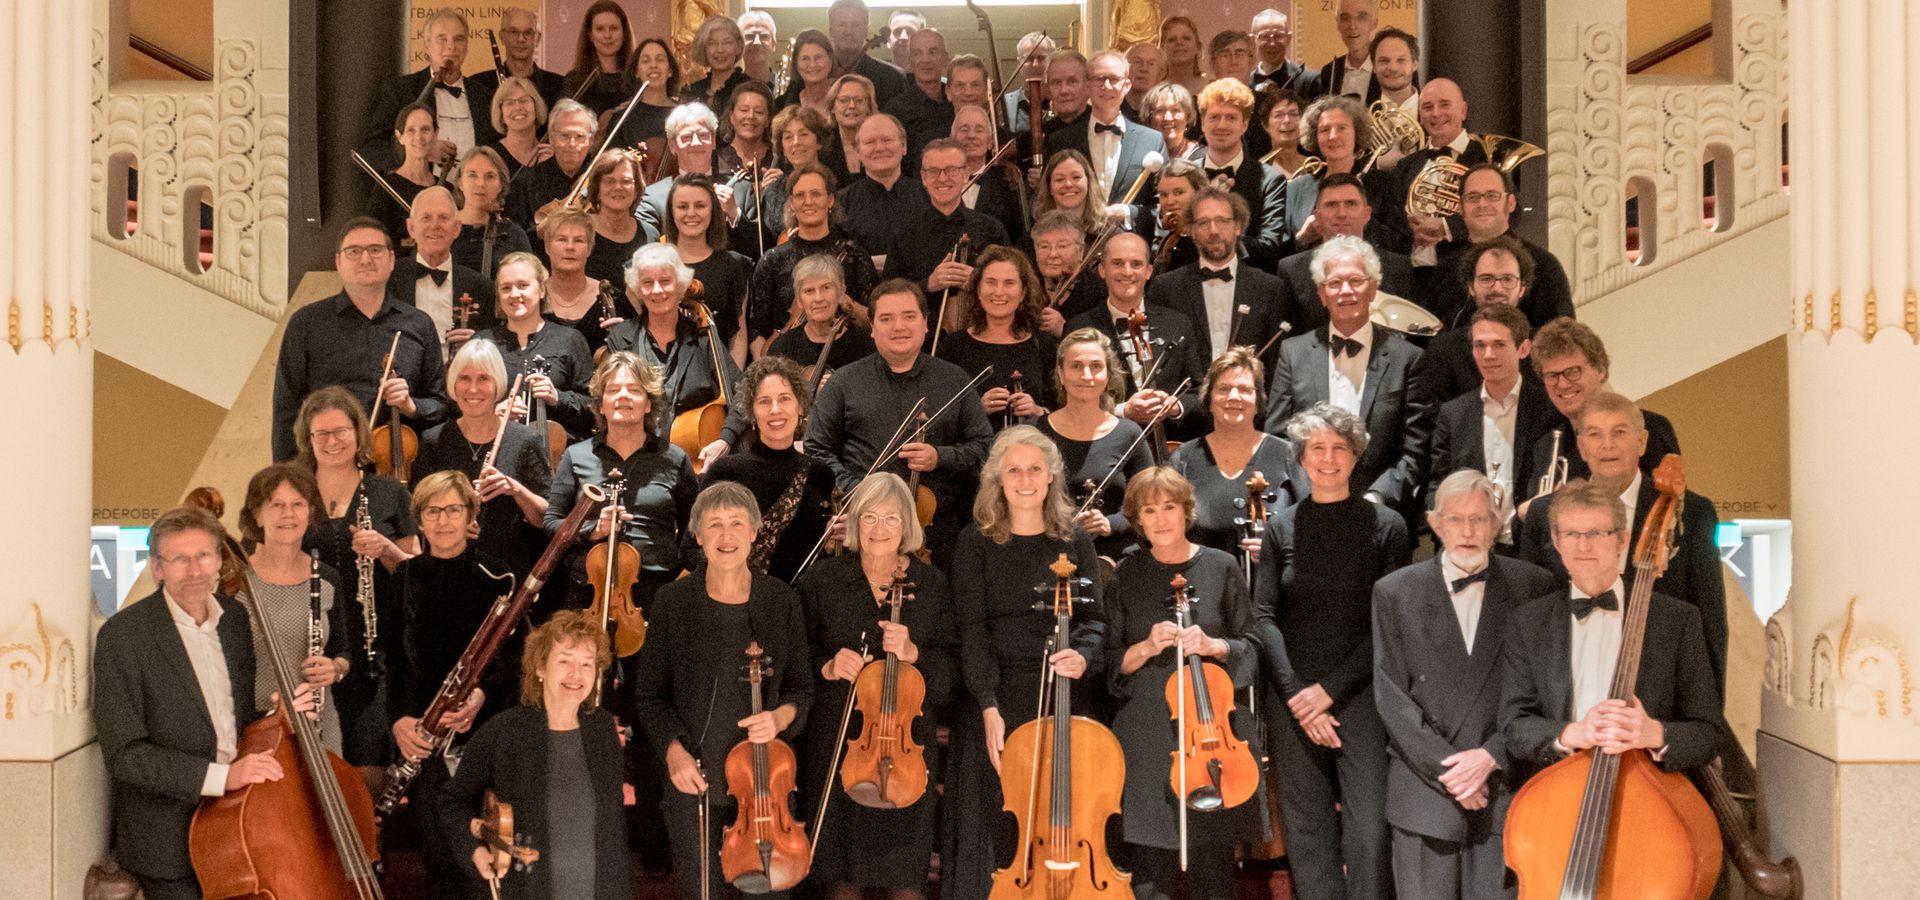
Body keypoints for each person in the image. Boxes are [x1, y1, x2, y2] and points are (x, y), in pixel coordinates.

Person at [95, 505, 317, 900]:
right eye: (179, 559)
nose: (195, 570)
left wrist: (279, 715)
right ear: (157, 568)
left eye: (203, 555)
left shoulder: (234, 619)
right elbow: (126, 756)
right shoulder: (123, 635)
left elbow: (234, 717)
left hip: (238, 824)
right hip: (168, 842)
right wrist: (222, 777)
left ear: (218, 560)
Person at [942, 426, 1107, 898]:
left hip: (1063, 694)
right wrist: (988, 705)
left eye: (1035, 469)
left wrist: (1083, 656)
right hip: (995, 696)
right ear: (997, 478)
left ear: (1052, 475)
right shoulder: (975, 542)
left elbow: (1095, 620)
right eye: (1013, 470)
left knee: (1062, 816)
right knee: (998, 819)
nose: (1026, 479)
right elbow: (971, 629)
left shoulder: (1074, 538)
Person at [1253, 403, 1410, 900]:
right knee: (1307, 828)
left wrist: (1328, 691)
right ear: (1301, 457)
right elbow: (1263, 616)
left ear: (1355, 456)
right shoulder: (1281, 527)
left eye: (1339, 448)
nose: (1327, 458)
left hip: (1361, 696)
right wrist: (1299, 696)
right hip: (1293, 697)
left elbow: (1388, 623)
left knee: (1369, 830)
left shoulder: (1387, 526)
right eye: (1316, 448)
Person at [1373, 470, 1554, 900]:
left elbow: (1544, 690)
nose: (1468, 531)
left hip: (1506, 789)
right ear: (1435, 524)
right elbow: (1391, 696)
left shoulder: (1534, 586)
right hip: (1424, 793)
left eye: (1479, 519)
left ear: (1497, 523)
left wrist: (1490, 757)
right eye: (1456, 519)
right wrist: (1452, 773)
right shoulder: (1394, 591)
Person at [630, 483, 814, 900]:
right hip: (695, 779)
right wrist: (673, 752)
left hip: (764, 787)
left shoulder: (781, 600)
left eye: (736, 523)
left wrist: (779, 717)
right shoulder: (673, 601)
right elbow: (650, 696)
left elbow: (802, 688)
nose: (726, 535)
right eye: (714, 525)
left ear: (754, 532)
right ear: (698, 536)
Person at [1498, 478, 1726, 792]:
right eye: (1571, 534)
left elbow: (1709, 734)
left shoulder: (1677, 620)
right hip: (1557, 793)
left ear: (1622, 540)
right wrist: (1574, 733)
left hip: (1650, 794)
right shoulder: (1528, 622)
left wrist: (1653, 733)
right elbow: (1514, 727)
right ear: (1556, 541)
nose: (1583, 546)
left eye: (1596, 533)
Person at [794, 473, 957, 897]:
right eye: (869, 517)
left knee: (905, 884)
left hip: (906, 751)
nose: (879, 529)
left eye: (891, 518)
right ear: (853, 523)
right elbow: (794, 660)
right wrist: (828, 666)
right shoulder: (822, 581)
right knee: (841, 881)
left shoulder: (933, 585)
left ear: (907, 525)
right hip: (840, 742)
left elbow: (951, 677)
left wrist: (915, 654)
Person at [1106, 467, 1262, 900]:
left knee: (1213, 869)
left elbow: (1251, 643)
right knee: (1151, 874)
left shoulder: (1221, 566)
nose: (1160, 519)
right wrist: (1145, 647)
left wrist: (1214, 646)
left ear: (1186, 511)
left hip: (1210, 733)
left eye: (1169, 507)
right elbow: (1109, 662)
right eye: (1149, 511)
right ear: (1137, 520)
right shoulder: (1126, 574)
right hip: (1147, 733)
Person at [1515, 392, 1728, 696]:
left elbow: (1710, 621)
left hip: (1659, 693)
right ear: (1581, 446)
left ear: (1641, 442)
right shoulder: (1544, 513)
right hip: (1569, 689)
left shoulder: (1692, 512)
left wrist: (1709, 711)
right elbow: (1532, 619)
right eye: (1595, 434)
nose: (1607, 445)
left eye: (1619, 432)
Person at [438, 609, 631, 899]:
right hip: (529, 889)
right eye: (564, 661)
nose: (576, 674)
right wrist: (474, 851)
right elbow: (452, 801)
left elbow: (611, 831)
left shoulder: (602, 728)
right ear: (541, 667)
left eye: (587, 664)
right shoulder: (504, 730)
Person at [805, 279, 994, 568]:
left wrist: (939, 457)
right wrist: (858, 491)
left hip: (938, 533)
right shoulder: (844, 381)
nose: (899, 327)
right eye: (886, 319)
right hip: (865, 525)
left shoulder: (954, 379)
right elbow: (816, 449)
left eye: (909, 316)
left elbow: (984, 447)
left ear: (926, 323)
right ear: (872, 328)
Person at [387, 471, 510, 900]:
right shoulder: (403, 577)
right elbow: (392, 660)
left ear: (470, 516)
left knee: (490, 848)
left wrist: (480, 696)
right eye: (432, 511)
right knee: (439, 853)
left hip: (486, 729)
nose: (442, 521)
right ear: (419, 520)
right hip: (426, 734)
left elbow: (515, 660)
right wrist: (400, 720)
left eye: (453, 510)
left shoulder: (498, 576)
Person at [293, 386, 421, 766]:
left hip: (375, 650)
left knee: (368, 766)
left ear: (358, 433)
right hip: (311, 650)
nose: (332, 442)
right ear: (308, 439)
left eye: (341, 431)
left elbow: (417, 576)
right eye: (322, 434)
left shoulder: (389, 494)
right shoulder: (293, 496)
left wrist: (386, 549)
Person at [1264, 234, 1428, 512]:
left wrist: (1376, 498)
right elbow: (1278, 438)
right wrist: (1311, 494)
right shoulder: (1293, 352)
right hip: (1307, 508)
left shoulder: (1408, 359)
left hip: (1378, 510)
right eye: (1335, 283)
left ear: (1373, 289)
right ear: (1321, 294)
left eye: (1355, 281)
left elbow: (1416, 450)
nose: (1346, 291)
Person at [272, 218, 444, 463]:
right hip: (327, 467)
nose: (365, 259)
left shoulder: (419, 324)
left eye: (375, 250)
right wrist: (287, 476)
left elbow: (440, 405)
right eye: (354, 251)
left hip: (398, 467)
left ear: (391, 260)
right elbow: (286, 411)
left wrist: (411, 405)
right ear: (338, 262)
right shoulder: (306, 323)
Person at [544, 351, 699, 617]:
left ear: (648, 404)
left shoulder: (675, 458)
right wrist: (592, 529)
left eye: (634, 390)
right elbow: (551, 523)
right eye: (613, 390)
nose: (623, 396)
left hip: (657, 591)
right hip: (590, 591)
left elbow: (693, 531)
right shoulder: (576, 455)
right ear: (600, 405)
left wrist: (676, 575)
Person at [414, 337, 552, 575]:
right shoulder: (433, 440)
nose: (473, 389)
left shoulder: (524, 440)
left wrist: (516, 489)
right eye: (464, 378)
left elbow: (546, 519)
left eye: (483, 379)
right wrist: (447, 528)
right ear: (453, 384)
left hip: (506, 572)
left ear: (498, 384)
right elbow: (416, 514)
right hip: (446, 570)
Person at [240, 464, 350, 755]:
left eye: (297, 504)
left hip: (319, 727)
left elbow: (343, 649)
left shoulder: (326, 578)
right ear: (257, 514)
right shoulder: (234, 582)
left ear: (310, 513)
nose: (288, 514)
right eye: (276, 505)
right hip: (258, 730)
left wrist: (336, 668)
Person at [1424, 305, 1557, 543]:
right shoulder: (1453, 414)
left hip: (1529, 546)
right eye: (1479, 345)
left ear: (1524, 349)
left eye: (1499, 345)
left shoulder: (1549, 410)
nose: (1488, 355)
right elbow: (1439, 483)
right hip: (1468, 544)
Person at [1518, 317, 1682, 504]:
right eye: (1552, 376)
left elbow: (1668, 506)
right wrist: (1529, 511)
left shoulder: (1650, 427)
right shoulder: (1545, 446)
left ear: (1601, 369)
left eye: (1573, 371)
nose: (1562, 384)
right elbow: (1531, 516)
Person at [702, 356, 837, 582]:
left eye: (784, 399)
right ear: (752, 412)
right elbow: (692, 549)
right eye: (764, 401)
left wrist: (834, 543)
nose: (775, 410)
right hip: (740, 596)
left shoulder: (821, 474)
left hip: (801, 598)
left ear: (800, 406)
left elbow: (821, 558)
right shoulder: (726, 472)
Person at [1063, 232, 1205, 442]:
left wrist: (1175, 406)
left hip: (1170, 445)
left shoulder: (1178, 323)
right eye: (1117, 263)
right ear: (1102, 270)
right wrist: (1123, 410)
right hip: (1105, 445)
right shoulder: (1078, 328)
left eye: (1136, 264)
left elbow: (1199, 392)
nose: (1127, 272)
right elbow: (1068, 399)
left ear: (1148, 271)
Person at [1168, 347, 1308, 560]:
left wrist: (1280, 545)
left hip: (1272, 576)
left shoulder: (1288, 454)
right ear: (1209, 400)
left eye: (1244, 389)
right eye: (1223, 389)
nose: (1234, 397)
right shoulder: (1183, 459)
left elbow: (1314, 523)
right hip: (1201, 577)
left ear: (1258, 402)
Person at [1037, 328, 1153, 558]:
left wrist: (1112, 523)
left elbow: (1151, 502)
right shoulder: (1036, 433)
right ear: (1060, 374)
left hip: (1116, 556)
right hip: (1050, 553)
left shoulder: (1129, 433)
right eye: (1076, 366)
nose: (1087, 375)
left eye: (1096, 366)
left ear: (1108, 375)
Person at [1148, 186, 1292, 366]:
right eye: (1203, 223)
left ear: (1238, 227)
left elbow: (1275, 362)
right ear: (1192, 231)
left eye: (1222, 221)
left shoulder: (1270, 289)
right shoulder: (1166, 288)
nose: (1213, 230)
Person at [1416, 166, 1575, 329]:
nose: (1482, 204)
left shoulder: (1543, 264)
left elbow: (1562, 335)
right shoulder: (1446, 268)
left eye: (1492, 196)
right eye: (1473, 197)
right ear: (1460, 207)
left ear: (1510, 203)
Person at [748, 164, 881, 351]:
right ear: (792, 203)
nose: (808, 201)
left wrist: (844, 301)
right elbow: (757, 329)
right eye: (800, 195)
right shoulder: (772, 260)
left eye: (816, 194)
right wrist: (765, 365)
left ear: (830, 200)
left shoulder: (855, 255)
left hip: (848, 354)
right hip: (789, 357)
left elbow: (876, 320)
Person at [1275, 174, 1426, 334]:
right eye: (1331, 205)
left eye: (1351, 204)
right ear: (1317, 216)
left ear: (1367, 214)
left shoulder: (1398, 267)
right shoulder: (1291, 270)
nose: (1341, 213)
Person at [476, 252, 597, 445]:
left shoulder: (570, 340)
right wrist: (493, 413)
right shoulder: (482, 342)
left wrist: (557, 397)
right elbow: (459, 405)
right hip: (497, 449)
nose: (514, 294)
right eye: (506, 288)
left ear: (541, 290)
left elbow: (595, 408)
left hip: (559, 453)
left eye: (523, 285)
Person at [1407, 236, 1535, 412]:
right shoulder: (1443, 351)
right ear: (1471, 287)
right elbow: (1433, 420)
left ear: (1522, 289)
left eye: (1507, 279)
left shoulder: (1542, 348)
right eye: (1486, 279)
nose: (1497, 288)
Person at [935, 245, 1053, 431]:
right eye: (991, 282)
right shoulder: (953, 346)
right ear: (978, 290)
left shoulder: (1044, 345)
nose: (999, 292)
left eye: (1009, 283)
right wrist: (977, 409)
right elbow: (939, 417)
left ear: (1023, 293)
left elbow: (1063, 412)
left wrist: (1037, 411)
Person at [1042, 51, 1168, 225]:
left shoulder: (1152, 141)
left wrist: (1127, 213)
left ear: (1127, 85)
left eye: (1114, 79)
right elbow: (1047, 202)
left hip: (1131, 238)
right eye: (1099, 79)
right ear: (1087, 86)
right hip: (1078, 237)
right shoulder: (1061, 141)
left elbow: (1164, 205)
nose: (1106, 86)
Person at [361, 10, 496, 170]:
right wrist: (421, 151)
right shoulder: (401, 90)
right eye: (442, 39)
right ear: (427, 46)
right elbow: (371, 150)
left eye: (458, 39)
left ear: (466, 47)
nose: (451, 46)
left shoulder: (484, 96)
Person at [884, 139, 1008, 296]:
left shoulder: (992, 229)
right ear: (923, 177)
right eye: (933, 171)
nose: (942, 178)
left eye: (951, 170)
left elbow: (1013, 283)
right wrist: (928, 284)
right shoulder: (904, 234)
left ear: (966, 174)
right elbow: (886, 295)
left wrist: (980, 281)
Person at [1193, 78, 1289, 267]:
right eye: (1214, 117)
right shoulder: (1184, 175)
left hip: (1248, 278)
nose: (1221, 125)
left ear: (1244, 125)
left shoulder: (1270, 180)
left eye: (1231, 118)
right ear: (1202, 123)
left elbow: (1269, 246)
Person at [641, 103, 761, 252]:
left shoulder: (742, 189)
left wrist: (734, 214)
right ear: (672, 145)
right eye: (687, 137)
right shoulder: (653, 196)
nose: (696, 143)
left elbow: (760, 249)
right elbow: (646, 251)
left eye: (703, 136)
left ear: (713, 141)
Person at [389, 185, 493, 355]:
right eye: (426, 218)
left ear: (456, 228)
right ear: (411, 228)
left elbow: (495, 343)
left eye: (443, 218)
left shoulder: (481, 287)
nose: (435, 225)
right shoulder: (388, 280)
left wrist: (477, 343)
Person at [1287, 94, 1395, 252]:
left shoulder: (1384, 185)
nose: (1333, 136)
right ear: (1315, 136)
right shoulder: (1296, 189)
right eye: (1325, 130)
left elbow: (1399, 243)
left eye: (1342, 128)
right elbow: (1279, 253)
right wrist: (1302, 238)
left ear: (1356, 133)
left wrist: (1358, 219)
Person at [663, 175, 753, 361]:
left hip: (718, 370)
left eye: (700, 206)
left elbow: (738, 333)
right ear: (671, 212)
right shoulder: (656, 264)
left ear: (713, 210)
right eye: (682, 206)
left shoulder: (734, 265)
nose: (691, 213)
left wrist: (731, 376)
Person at [837, 115, 931, 267]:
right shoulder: (841, 202)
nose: (880, 148)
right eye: (870, 142)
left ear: (904, 146)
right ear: (858, 152)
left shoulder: (928, 196)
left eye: (887, 140)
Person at [765, 253, 876, 370]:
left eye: (826, 287)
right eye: (809, 291)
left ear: (840, 292)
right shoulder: (782, 348)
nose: (818, 298)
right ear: (799, 300)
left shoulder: (866, 345)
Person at [501, 100, 597, 233]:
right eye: (564, 136)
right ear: (551, 138)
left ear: (590, 141)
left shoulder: (601, 179)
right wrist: (539, 232)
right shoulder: (525, 182)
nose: (572, 144)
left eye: (580, 136)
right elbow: (513, 235)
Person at [539, 208, 619, 353]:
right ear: (547, 246)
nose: (570, 247)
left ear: (589, 248)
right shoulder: (531, 298)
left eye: (579, 240)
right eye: (561, 239)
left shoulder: (612, 299)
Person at [950, 103, 1027, 247]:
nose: (971, 136)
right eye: (964, 129)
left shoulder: (1008, 182)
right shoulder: (939, 181)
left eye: (979, 130)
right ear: (952, 140)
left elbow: (1019, 236)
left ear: (991, 142)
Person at [452, 147, 534, 277]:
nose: (481, 183)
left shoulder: (514, 235)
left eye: (490, 176)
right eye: (472, 175)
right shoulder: (443, 229)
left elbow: (528, 280)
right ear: (460, 183)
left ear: (500, 185)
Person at [368, 104, 445, 241]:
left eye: (425, 130)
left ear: (435, 134)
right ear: (400, 137)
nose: (419, 137)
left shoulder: (446, 188)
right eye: (411, 130)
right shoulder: (386, 188)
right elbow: (373, 240)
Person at [759, 103, 834, 237]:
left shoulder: (836, 184)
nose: (796, 142)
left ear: (819, 142)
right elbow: (764, 240)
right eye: (788, 137)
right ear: (782, 148)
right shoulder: (773, 190)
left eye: (803, 134)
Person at [582, 150, 656, 285]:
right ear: (597, 189)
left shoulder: (650, 234)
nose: (618, 187)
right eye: (609, 181)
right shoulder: (578, 230)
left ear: (636, 190)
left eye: (626, 181)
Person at [469, 7, 564, 109]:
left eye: (528, 32)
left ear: (537, 38)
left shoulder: (558, 86)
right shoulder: (478, 85)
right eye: (513, 32)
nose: (521, 39)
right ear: (502, 37)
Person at [1030, 211, 1108, 331]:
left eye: (1062, 246)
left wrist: (1064, 329)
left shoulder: (1100, 292)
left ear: (1080, 251)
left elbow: (1103, 339)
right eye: (1044, 246)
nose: (1052, 254)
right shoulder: (1026, 288)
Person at [560, 1, 638, 118]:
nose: (607, 35)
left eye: (614, 28)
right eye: (600, 29)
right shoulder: (574, 82)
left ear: (624, 33)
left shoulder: (637, 79)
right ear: (590, 35)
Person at [884, 29, 954, 157]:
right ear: (910, 61)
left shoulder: (957, 99)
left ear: (945, 58)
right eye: (917, 53)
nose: (925, 60)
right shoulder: (896, 109)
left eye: (932, 52)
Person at [827, 0, 910, 106]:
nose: (849, 31)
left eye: (856, 25)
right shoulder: (819, 74)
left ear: (866, 31)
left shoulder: (892, 78)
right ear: (831, 30)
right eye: (842, 25)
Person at [610, 38, 683, 148]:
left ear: (670, 71)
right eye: (645, 61)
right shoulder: (622, 118)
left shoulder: (684, 116)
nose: (653, 65)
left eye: (660, 60)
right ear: (636, 72)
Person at [1309, 0, 1382, 101]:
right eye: (1345, 18)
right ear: (1338, 25)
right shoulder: (1330, 71)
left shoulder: (1385, 67)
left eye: (1361, 17)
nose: (1352, 26)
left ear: (1374, 23)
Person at [485, 76, 551, 178]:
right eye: (510, 103)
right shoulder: (489, 158)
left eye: (524, 101)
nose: (518, 107)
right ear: (501, 115)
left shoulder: (549, 154)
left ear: (536, 107)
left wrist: (549, 168)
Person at [1032, 150, 1106, 241]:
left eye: (1076, 177)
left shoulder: (1109, 237)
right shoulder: (1033, 239)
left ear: (1088, 183)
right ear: (1049, 187)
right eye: (1059, 179)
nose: (1068, 184)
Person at [1149, 158, 1205, 273]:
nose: (1170, 202)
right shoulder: (1164, 237)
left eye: (1179, 193)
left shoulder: (1211, 240)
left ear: (1199, 192)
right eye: (1164, 195)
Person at [681, 14, 750, 108]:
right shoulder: (691, 93)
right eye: (712, 43)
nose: (720, 50)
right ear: (703, 48)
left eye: (727, 42)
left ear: (739, 47)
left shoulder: (752, 89)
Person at [822, 74, 879, 184]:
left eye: (859, 100)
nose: (852, 106)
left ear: (869, 107)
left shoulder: (880, 143)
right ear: (832, 107)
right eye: (844, 100)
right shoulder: (822, 146)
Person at [716, 80, 776, 180]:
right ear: (731, 116)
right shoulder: (716, 160)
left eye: (759, 112)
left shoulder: (778, 160)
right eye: (744, 110)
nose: (751, 116)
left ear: (768, 120)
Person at [1000, 31, 1056, 135]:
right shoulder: (1005, 105)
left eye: (1041, 58)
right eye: (1029, 59)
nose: (1035, 65)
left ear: (1053, 62)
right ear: (1019, 64)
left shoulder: (1062, 100)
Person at [1251, 8, 1315, 95]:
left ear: (1288, 39)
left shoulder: (1309, 81)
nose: (1272, 44)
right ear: (1252, 41)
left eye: (1278, 36)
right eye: (1264, 36)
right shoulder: (1245, 84)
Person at [779, 29, 839, 116]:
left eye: (818, 57)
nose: (812, 64)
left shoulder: (843, 100)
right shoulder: (784, 104)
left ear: (830, 61)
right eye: (805, 59)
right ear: (796, 64)